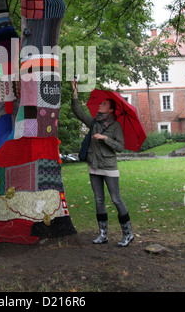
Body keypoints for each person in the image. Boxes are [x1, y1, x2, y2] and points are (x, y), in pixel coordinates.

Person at [71, 80, 134, 247]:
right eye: (101, 103)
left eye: (104, 104)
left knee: (116, 199)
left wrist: (105, 138)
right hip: (94, 165)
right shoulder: (93, 123)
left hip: (109, 167)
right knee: (99, 200)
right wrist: (75, 93)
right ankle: (103, 234)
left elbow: (120, 147)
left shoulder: (116, 126)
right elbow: (78, 112)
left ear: (111, 109)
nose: (100, 105)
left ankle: (128, 233)